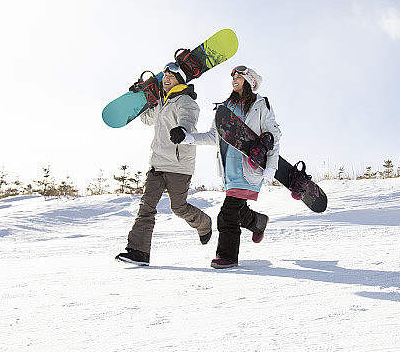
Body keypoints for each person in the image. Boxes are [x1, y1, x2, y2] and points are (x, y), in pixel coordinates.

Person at [175, 65, 281, 269]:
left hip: (249, 167)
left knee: (227, 214)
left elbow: (273, 134)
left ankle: (227, 256)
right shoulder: (224, 107)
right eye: (233, 76)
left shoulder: (260, 105)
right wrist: (188, 138)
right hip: (228, 170)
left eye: (239, 76)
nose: (234, 78)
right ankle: (257, 222)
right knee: (237, 211)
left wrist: (272, 165)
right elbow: (213, 136)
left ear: (250, 81)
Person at [115, 63, 212, 266]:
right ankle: (138, 252)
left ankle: (204, 223)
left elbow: (188, 118)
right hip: (157, 164)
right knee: (146, 206)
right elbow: (147, 119)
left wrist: (182, 130)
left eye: (172, 75)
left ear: (180, 80)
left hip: (178, 165)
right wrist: (142, 99)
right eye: (165, 74)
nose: (167, 77)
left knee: (179, 208)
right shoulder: (161, 102)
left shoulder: (185, 100)